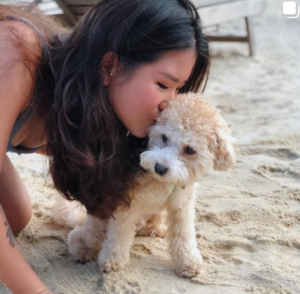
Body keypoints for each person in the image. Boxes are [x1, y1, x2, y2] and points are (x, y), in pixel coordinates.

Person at [0, 0, 210, 293]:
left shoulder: (78, 107)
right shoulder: (14, 51)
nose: (169, 103)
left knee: (17, 216)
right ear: (109, 65)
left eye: (178, 89)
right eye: (163, 84)